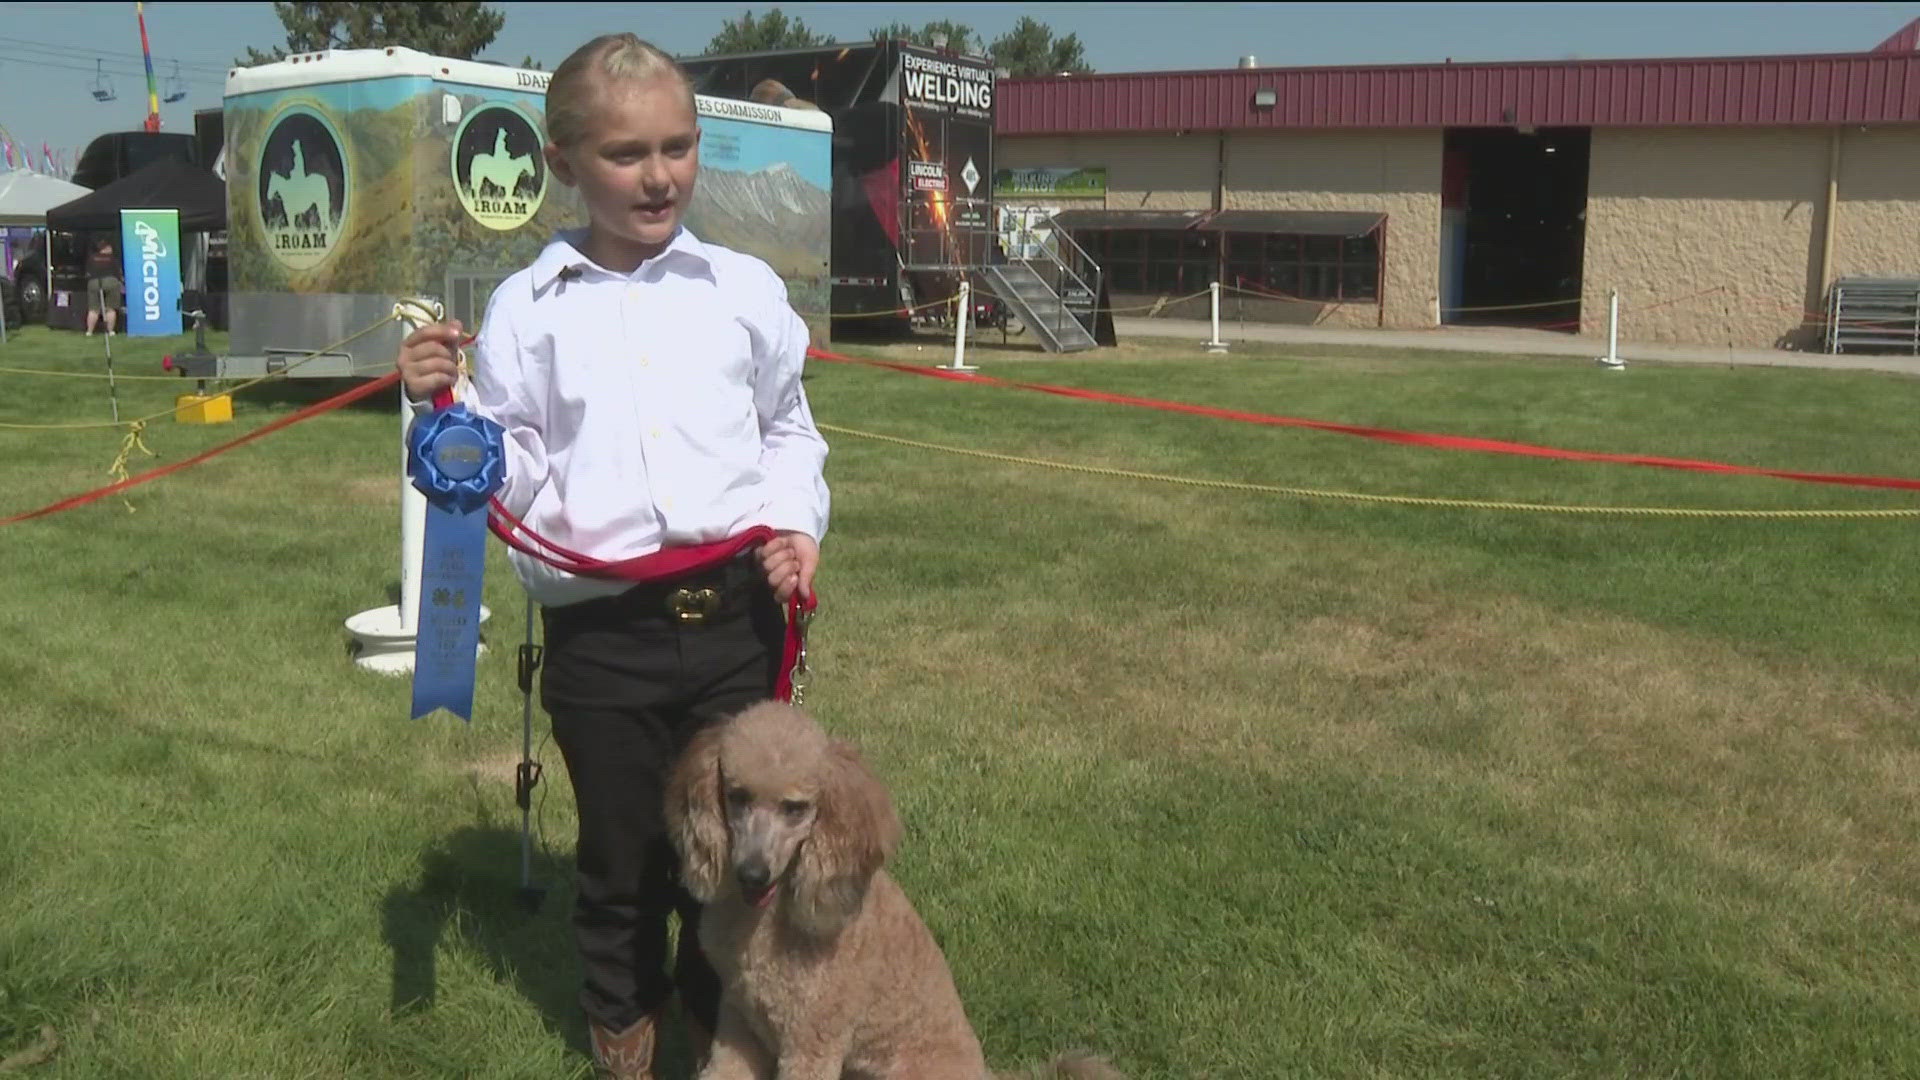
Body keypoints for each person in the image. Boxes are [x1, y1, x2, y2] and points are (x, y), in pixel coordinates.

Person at [394, 33, 829, 1080]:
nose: (660, 175)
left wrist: (794, 526)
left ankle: (721, 1038)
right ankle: (622, 1035)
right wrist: (443, 416)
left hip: (737, 621)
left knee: (732, 864)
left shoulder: (741, 289)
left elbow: (788, 430)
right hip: (604, 640)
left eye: (678, 146)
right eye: (628, 153)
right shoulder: (527, 312)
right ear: (562, 162)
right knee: (626, 858)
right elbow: (511, 471)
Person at [85, 236, 121, 336]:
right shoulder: (113, 258)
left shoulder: (92, 258)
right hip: (110, 281)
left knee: (93, 309)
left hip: (94, 282)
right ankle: (110, 331)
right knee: (110, 308)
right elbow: (118, 273)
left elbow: (87, 273)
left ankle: (89, 331)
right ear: (107, 248)